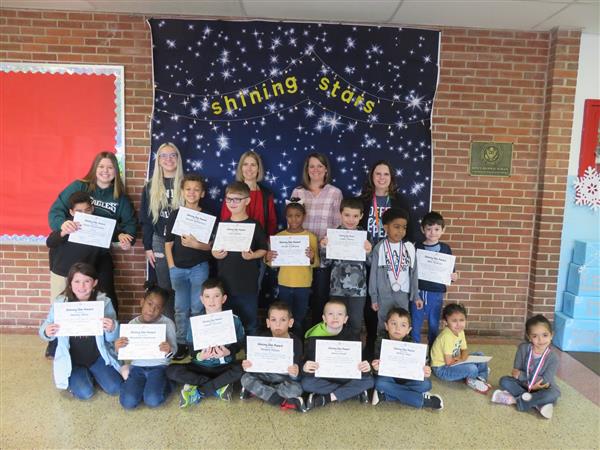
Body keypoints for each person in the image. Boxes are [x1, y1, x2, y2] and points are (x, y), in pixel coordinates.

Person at [48, 151, 136, 316]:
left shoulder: (120, 198)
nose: (105, 171)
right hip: (71, 249)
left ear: (116, 171)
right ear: (95, 168)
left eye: (110, 167)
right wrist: (63, 225)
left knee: (106, 292)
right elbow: (56, 210)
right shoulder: (79, 186)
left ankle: (109, 332)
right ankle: (59, 337)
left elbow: (130, 224)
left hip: (98, 251)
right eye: (101, 166)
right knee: (66, 295)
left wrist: (125, 238)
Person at [38, 263, 122, 399]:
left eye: (86, 281)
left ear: (94, 283)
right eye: (77, 281)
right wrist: (47, 331)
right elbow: (45, 327)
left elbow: (112, 338)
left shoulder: (104, 302)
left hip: (98, 357)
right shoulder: (61, 303)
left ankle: (93, 373)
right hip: (72, 361)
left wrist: (112, 328)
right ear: (70, 284)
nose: (81, 286)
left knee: (116, 388)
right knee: (85, 393)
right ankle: (86, 376)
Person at [167, 279, 245, 408]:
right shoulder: (195, 322)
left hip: (224, 366)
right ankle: (218, 385)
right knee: (171, 370)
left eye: (216, 296)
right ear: (202, 299)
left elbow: (240, 344)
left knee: (243, 368)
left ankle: (199, 390)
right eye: (207, 296)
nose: (212, 300)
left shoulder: (234, 320)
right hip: (199, 367)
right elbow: (192, 351)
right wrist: (200, 356)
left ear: (224, 298)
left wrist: (229, 351)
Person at [45, 192, 103, 359]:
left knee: (78, 309)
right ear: (71, 212)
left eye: (87, 210)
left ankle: (78, 343)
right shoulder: (66, 226)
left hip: (82, 277)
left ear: (92, 209)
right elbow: (50, 242)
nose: (84, 214)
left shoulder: (98, 228)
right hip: (61, 273)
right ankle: (53, 343)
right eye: (80, 211)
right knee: (58, 309)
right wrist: (63, 232)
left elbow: (101, 253)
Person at [165, 175, 213, 360]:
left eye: (196, 189)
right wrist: (171, 266)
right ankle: (182, 343)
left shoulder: (208, 216)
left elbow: (211, 246)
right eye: (188, 189)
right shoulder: (176, 215)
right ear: (183, 192)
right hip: (178, 268)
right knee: (180, 308)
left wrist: (196, 244)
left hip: (199, 268)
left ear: (202, 193)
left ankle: (196, 343)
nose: (192, 193)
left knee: (197, 307)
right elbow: (168, 243)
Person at [291, 153, 343, 326]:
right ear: (307, 170)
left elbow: (338, 224)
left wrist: (327, 242)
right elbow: (292, 220)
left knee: (320, 297)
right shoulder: (298, 192)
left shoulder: (335, 193)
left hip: (323, 255)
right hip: (301, 254)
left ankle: (315, 336)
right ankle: (298, 334)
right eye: (312, 166)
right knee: (300, 296)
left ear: (326, 169)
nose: (316, 170)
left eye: (320, 166)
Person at [212, 182, 268, 336]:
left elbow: (264, 249)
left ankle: (251, 355)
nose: (232, 203)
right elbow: (214, 250)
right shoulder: (222, 225)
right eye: (229, 199)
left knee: (250, 322)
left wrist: (253, 255)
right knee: (227, 323)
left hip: (247, 283)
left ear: (247, 201)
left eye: (237, 199)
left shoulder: (255, 225)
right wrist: (215, 254)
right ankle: (229, 354)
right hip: (226, 282)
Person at [301, 299, 374, 409]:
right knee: (306, 383)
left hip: (345, 377)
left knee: (369, 380)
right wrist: (305, 367)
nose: (335, 317)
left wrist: (366, 367)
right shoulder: (314, 337)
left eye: (339, 314)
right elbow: (307, 363)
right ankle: (352, 393)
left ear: (345, 319)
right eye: (330, 314)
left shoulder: (352, 336)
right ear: (324, 318)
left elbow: (361, 362)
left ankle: (328, 397)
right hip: (325, 377)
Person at [140, 142, 184, 318]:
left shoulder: (186, 183)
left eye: (172, 155)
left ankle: (183, 334)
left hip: (183, 241)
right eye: (163, 156)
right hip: (159, 240)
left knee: (182, 286)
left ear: (178, 158)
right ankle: (170, 328)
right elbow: (146, 219)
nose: (168, 159)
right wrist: (147, 246)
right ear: (158, 160)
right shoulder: (150, 186)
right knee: (165, 287)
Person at [116, 286, 177, 409]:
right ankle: (135, 380)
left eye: (157, 307)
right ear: (142, 302)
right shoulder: (132, 324)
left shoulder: (168, 323)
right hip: (137, 367)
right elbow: (125, 351)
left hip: (159, 367)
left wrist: (169, 349)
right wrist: (118, 347)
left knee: (152, 400)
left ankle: (170, 383)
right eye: (149, 304)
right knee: (128, 402)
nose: (151, 309)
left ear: (162, 310)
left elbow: (174, 351)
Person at [319, 198, 372, 338]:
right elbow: (324, 263)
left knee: (355, 325)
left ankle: (353, 357)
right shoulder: (332, 235)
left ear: (361, 216)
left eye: (355, 216)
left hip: (358, 291)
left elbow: (371, 263)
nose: (351, 219)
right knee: (334, 325)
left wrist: (368, 252)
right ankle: (335, 355)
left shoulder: (365, 236)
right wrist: (324, 248)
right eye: (347, 215)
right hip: (337, 289)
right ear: (340, 214)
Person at [265, 199, 319, 337]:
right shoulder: (279, 237)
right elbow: (272, 264)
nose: (294, 219)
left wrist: (312, 257)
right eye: (290, 215)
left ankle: (298, 347)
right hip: (284, 283)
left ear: (304, 216)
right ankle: (284, 345)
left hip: (303, 284)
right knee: (283, 318)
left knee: (299, 318)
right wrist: (268, 257)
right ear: (286, 217)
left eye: (298, 215)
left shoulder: (311, 237)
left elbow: (317, 263)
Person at [371, 307, 443, 410]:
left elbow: (423, 363)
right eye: (393, 324)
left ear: (408, 330)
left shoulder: (412, 344)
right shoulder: (380, 341)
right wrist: (376, 368)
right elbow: (376, 366)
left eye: (403, 325)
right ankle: (421, 401)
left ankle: (386, 395)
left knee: (426, 384)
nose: (398, 328)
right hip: (388, 378)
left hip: (407, 379)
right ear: (386, 326)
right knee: (379, 383)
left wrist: (425, 370)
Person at [240, 301, 305, 412]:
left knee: (297, 389)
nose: (278, 324)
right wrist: (248, 365)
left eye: (283, 320)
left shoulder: (296, 342)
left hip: (284, 378)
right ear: (268, 322)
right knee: (245, 379)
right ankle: (278, 399)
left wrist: (295, 372)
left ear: (290, 322)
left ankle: (260, 391)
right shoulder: (262, 338)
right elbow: (253, 364)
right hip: (265, 375)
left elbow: (296, 371)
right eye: (274, 320)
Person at [492, 314, 560, 419]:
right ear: (529, 337)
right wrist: (527, 380)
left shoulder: (553, 358)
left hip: (542, 388)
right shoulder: (523, 349)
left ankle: (517, 401)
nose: (541, 340)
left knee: (554, 394)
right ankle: (537, 403)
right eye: (535, 336)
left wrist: (524, 377)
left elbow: (546, 381)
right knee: (504, 381)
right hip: (524, 385)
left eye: (545, 335)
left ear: (552, 335)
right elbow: (515, 372)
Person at [410, 211, 458, 345]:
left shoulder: (446, 248)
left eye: (437, 229)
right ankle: (415, 353)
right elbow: (411, 269)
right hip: (418, 291)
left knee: (433, 324)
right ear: (422, 229)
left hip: (436, 292)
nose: (433, 232)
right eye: (429, 229)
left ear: (443, 230)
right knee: (415, 323)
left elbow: (451, 270)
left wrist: (454, 276)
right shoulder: (416, 247)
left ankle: (433, 354)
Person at [369, 208, 418, 332]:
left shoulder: (409, 247)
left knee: (402, 324)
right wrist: (374, 297)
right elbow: (373, 274)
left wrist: (416, 295)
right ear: (386, 227)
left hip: (403, 294)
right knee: (383, 323)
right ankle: (380, 349)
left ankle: (399, 350)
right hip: (384, 294)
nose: (401, 231)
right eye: (396, 227)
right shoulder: (379, 248)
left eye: (404, 227)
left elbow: (414, 273)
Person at [430, 303, 491, 393]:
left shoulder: (460, 332)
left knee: (480, 355)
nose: (458, 324)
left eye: (461, 320)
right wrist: (462, 359)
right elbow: (448, 362)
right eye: (454, 321)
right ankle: (471, 380)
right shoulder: (447, 336)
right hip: (442, 368)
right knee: (472, 368)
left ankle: (481, 378)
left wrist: (462, 358)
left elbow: (464, 350)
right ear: (446, 322)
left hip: (454, 360)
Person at [220, 150, 277, 236]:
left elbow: (271, 223)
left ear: (258, 169)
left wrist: (267, 244)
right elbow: (225, 219)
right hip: (235, 241)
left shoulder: (267, 194)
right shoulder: (232, 192)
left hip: (260, 244)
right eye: (245, 164)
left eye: (253, 165)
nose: (249, 169)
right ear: (241, 168)